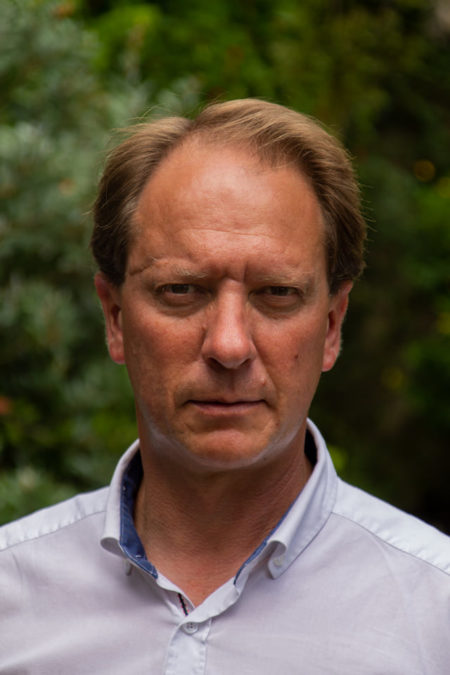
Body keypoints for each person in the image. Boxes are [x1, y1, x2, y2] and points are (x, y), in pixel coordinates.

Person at [0, 99, 448, 674]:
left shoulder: (434, 614)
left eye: (277, 293)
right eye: (182, 290)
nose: (230, 345)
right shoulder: (12, 601)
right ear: (115, 318)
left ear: (333, 326)